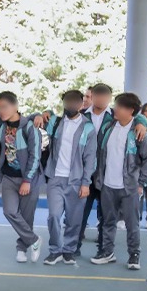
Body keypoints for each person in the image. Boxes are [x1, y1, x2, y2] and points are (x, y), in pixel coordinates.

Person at [74, 83, 147, 253]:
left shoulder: (114, 117)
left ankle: (104, 249)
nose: (101, 99)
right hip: (85, 174)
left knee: (106, 216)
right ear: (92, 96)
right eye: (97, 95)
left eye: (105, 96)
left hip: (105, 175)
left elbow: (136, 117)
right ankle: (74, 247)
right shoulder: (82, 115)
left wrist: (142, 122)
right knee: (80, 213)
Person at [90, 93, 147, 270]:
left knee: (132, 224)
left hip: (130, 187)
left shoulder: (140, 132)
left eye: (119, 106)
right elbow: (100, 153)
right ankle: (107, 252)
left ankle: (134, 255)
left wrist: (141, 183)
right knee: (107, 221)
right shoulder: (108, 127)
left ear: (130, 110)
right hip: (107, 185)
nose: (115, 109)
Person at [41, 90, 97, 265]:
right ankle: (55, 250)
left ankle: (69, 250)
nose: (70, 105)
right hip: (55, 178)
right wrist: (42, 113)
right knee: (53, 216)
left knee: (74, 220)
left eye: (74, 102)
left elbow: (90, 158)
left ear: (80, 104)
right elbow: (32, 120)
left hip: (77, 181)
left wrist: (86, 183)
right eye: (67, 101)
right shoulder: (55, 122)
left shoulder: (88, 127)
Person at [0, 91, 43, 263]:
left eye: (5, 107)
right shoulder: (2, 126)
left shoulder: (29, 127)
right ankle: (34, 240)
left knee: (27, 216)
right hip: (8, 178)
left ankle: (22, 249)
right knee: (9, 211)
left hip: (28, 179)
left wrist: (27, 180)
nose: (1, 111)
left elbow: (35, 156)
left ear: (15, 106)